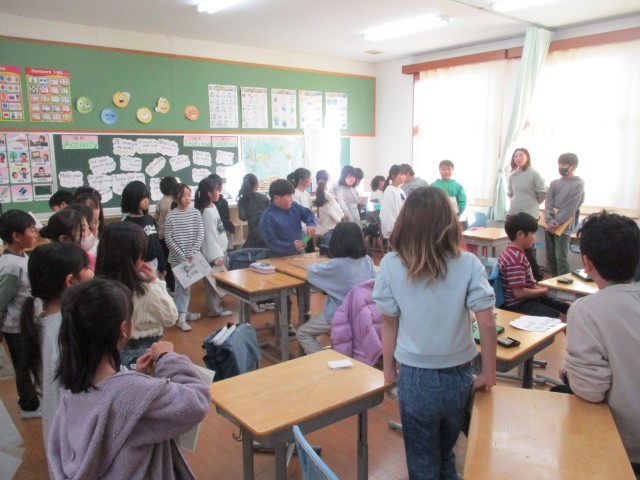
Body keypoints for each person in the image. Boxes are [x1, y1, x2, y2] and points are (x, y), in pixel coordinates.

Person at [372, 186, 497, 479]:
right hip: (459, 374)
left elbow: (388, 322)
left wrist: (388, 369)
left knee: (422, 459)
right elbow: (487, 323)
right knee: (446, 451)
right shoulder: (468, 263)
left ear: (405, 222)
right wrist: (489, 372)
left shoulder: (390, 264)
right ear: (449, 222)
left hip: (415, 376)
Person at [47, 278, 210, 479]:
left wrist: (137, 378)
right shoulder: (133, 393)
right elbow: (197, 401)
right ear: (124, 329)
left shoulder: (69, 392)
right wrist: (168, 358)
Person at [558, 211, 640, 473]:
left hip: (624, 443)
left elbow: (590, 390)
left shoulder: (586, 311)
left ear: (587, 263)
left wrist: (570, 375)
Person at [20, 242, 93, 441]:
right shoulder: (68, 333)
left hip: (58, 433)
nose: (92, 272)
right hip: (73, 438)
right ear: (71, 281)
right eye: (87, 267)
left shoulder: (41, 321)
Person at [96, 222, 178, 368]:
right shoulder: (146, 289)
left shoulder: (96, 288)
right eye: (141, 254)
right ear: (133, 256)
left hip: (110, 354)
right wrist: (156, 283)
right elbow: (171, 317)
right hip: (143, 350)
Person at [296, 222, 376, 354]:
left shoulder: (336, 265)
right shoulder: (367, 260)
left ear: (336, 241)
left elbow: (311, 273)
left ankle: (324, 360)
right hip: (364, 314)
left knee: (303, 333)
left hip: (339, 314)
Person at [0, 210, 40, 418]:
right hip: (15, 326)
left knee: (31, 362)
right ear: (16, 236)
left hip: (27, 323)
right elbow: (2, 299)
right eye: (31, 230)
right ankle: (28, 404)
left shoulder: (22, 256)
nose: (36, 234)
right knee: (23, 366)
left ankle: (34, 397)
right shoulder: (10, 265)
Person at [498, 213, 569, 318]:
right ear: (520, 234)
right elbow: (519, 293)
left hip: (528, 300)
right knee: (560, 318)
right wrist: (544, 291)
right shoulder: (515, 258)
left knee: (566, 308)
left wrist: (541, 291)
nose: (534, 238)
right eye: (532, 234)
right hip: (518, 305)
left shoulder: (514, 253)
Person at [165, 183, 204, 332]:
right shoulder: (171, 216)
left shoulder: (195, 213)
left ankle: (181, 313)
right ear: (176, 198)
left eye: (189, 194)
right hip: (177, 260)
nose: (188, 198)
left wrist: (192, 252)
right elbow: (169, 239)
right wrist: (182, 257)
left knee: (183, 287)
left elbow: (200, 233)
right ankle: (181, 319)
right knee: (183, 287)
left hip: (192, 258)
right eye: (184, 195)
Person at [506, 148, 547, 281]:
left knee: (528, 249)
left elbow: (542, 194)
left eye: (521, 156)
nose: (518, 158)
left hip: (529, 215)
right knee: (513, 247)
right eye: (515, 156)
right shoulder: (512, 176)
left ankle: (537, 278)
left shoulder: (534, 173)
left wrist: (532, 204)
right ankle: (518, 276)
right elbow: (511, 193)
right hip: (513, 213)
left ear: (527, 157)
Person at [194, 177, 232, 318]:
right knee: (212, 282)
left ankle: (217, 306)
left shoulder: (213, 207)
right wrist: (216, 256)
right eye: (217, 190)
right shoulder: (207, 212)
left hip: (221, 250)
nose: (219, 192)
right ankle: (214, 309)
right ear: (209, 193)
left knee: (218, 281)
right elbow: (209, 236)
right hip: (215, 253)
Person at [543, 152, 585, 277]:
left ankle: (563, 284)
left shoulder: (579, 184)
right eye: (559, 165)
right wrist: (549, 221)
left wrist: (556, 222)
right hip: (549, 224)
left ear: (573, 167)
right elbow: (548, 202)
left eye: (564, 165)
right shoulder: (554, 183)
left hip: (564, 226)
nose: (561, 167)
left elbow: (571, 206)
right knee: (550, 257)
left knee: (561, 257)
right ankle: (553, 283)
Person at [259, 179, 317, 258]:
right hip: (281, 259)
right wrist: (292, 246)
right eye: (288, 196)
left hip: (300, 255)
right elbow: (271, 243)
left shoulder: (294, 206)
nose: (291, 199)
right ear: (276, 198)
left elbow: (308, 213)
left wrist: (311, 224)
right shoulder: (267, 217)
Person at [121, 180, 167, 277]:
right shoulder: (126, 224)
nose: (146, 200)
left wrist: (162, 265)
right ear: (132, 200)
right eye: (142, 198)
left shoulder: (150, 219)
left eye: (147, 197)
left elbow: (156, 244)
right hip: (139, 267)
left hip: (154, 263)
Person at [154, 176, 178, 293]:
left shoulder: (160, 201)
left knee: (166, 262)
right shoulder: (173, 202)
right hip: (170, 237)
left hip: (161, 236)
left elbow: (155, 218)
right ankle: (173, 287)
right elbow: (172, 221)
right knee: (172, 263)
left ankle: (168, 285)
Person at [236, 173, 269, 248]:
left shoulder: (242, 200)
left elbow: (242, 217)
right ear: (256, 185)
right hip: (267, 232)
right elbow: (271, 212)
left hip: (253, 234)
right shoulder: (264, 197)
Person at [290, 167, 315, 252]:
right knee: (303, 251)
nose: (310, 180)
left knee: (310, 251)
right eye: (309, 178)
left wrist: (312, 221)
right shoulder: (294, 194)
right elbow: (296, 214)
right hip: (302, 231)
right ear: (301, 180)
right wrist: (305, 229)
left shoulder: (306, 194)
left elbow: (309, 211)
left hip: (308, 229)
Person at [380, 164, 407, 240]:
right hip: (393, 230)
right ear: (393, 176)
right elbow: (388, 212)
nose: (404, 177)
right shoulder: (389, 191)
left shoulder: (401, 190)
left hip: (401, 227)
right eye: (401, 174)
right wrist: (392, 229)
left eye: (404, 174)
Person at [208, 173, 235, 251]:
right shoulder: (222, 202)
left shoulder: (203, 203)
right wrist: (232, 228)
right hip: (220, 233)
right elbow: (225, 220)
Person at [313, 170, 343, 236]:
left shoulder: (316, 197)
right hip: (331, 231)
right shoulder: (328, 196)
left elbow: (314, 215)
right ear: (328, 180)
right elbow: (339, 216)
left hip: (321, 231)